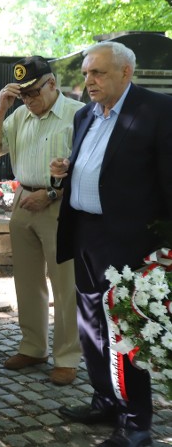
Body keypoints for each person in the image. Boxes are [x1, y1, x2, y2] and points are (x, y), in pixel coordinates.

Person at [52, 42, 172, 447]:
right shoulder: (85, 114)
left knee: (126, 329)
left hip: (131, 241)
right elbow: (96, 168)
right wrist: (65, 174)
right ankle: (105, 399)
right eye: (86, 73)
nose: (89, 81)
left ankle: (137, 424)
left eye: (98, 73)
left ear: (125, 73)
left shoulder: (158, 110)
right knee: (90, 326)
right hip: (85, 233)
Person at [0, 56, 83, 386]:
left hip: (60, 204)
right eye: (22, 95)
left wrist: (53, 194)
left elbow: (89, 168)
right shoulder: (18, 116)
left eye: (33, 93)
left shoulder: (77, 115)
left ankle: (67, 356)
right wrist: (1, 109)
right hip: (23, 201)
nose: (28, 100)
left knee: (64, 284)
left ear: (52, 84)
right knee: (26, 281)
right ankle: (33, 346)